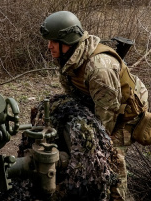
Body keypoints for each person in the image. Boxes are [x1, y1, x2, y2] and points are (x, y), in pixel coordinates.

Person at [40, 11, 149, 200]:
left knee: (110, 160)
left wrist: (95, 146)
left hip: (125, 114)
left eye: (53, 41)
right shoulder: (70, 57)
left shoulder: (99, 68)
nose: (49, 46)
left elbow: (108, 115)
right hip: (102, 103)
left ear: (68, 40)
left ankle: (118, 196)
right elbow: (74, 95)